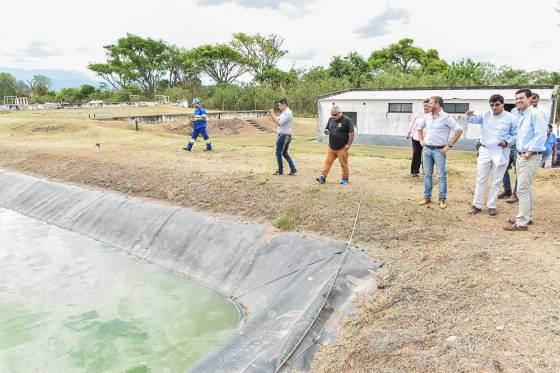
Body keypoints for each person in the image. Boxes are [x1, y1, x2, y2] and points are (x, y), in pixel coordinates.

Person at [503, 88, 547, 231]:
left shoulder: (536, 114)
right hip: (522, 155)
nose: (518, 101)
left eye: (521, 98)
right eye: (516, 99)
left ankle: (521, 223)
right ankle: (525, 217)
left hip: (530, 156)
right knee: (525, 188)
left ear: (529, 99)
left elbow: (541, 135)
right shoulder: (523, 115)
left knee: (522, 189)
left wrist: (528, 152)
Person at [465, 94, 517, 216]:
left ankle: (492, 205)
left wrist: (507, 142)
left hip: (501, 150)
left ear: (503, 104)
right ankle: (477, 205)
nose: (494, 107)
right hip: (485, 149)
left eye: (497, 105)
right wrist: (468, 114)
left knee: (496, 179)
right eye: (492, 105)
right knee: (481, 178)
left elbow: (516, 134)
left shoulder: (511, 118)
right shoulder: (485, 114)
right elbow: (471, 120)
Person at [417, 96, 463, 209]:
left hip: (439, 151)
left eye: (430, 103)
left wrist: (449, 145)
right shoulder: (427, 117)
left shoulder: (446, 117)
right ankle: (426, 197)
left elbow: (459, 130)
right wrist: (421, 140)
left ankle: (442, 199)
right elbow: (419, 129)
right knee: (427, 175)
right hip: (427, 150)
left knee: (442, 176)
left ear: (437, 104)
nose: (428, 105)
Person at [316, 105, 354, 185]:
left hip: (342, 148)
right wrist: (326, 131)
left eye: (335, 114)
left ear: (340, 113)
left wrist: (348, 145)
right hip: (331, 147)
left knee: (344, 164)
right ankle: (323, 177)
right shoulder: (331, 119)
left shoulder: (347, 120)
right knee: (327, 163)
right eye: (332, 114)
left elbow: (352, 133)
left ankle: (345, 179)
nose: (333, 116)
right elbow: (327, 129)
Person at [269, 98, 297, 175]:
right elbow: (276, 120)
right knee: (284, 153)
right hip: (285, 135)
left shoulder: (287, 113)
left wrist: (273, 114)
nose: (279, 107)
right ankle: (293, 169)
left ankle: (280, 171)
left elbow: (279, 123)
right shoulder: (284, 112)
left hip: (284, 135)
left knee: (278, 153)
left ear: (284, 105)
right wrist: (272, 115)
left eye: (280, 105)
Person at [406, 99, 430, 177]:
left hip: (427, 139)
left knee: (427, 155)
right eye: (424, 106)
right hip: (416, 138)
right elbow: (412, 123)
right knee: (416, 154)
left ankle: (426, 172)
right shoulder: (418, 113)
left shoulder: (432, 114)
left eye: (427, 106)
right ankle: (414, 172)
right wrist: (409, 132)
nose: (426, 107)